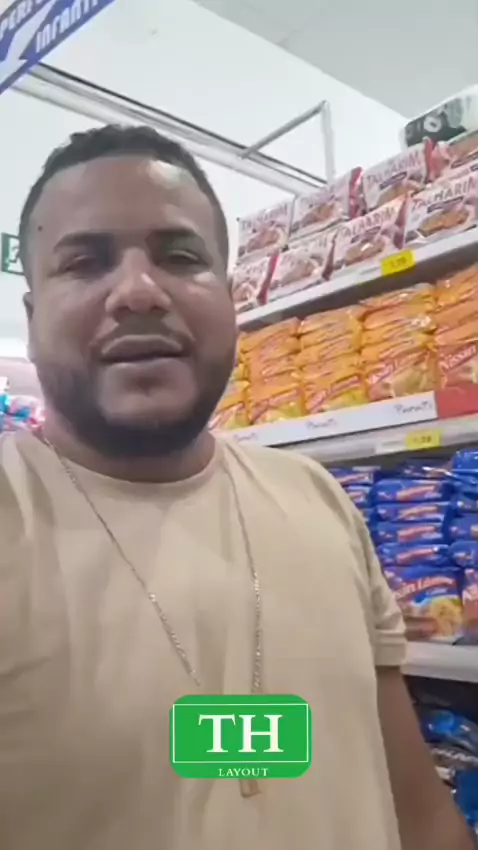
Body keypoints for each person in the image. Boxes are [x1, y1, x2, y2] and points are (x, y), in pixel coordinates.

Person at [0, 125, 473, 850]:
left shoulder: (318, 498)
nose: (138, 290)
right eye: (85, 262)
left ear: (228, 301)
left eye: (180, 257)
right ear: (32, 321)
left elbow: (419, 811)